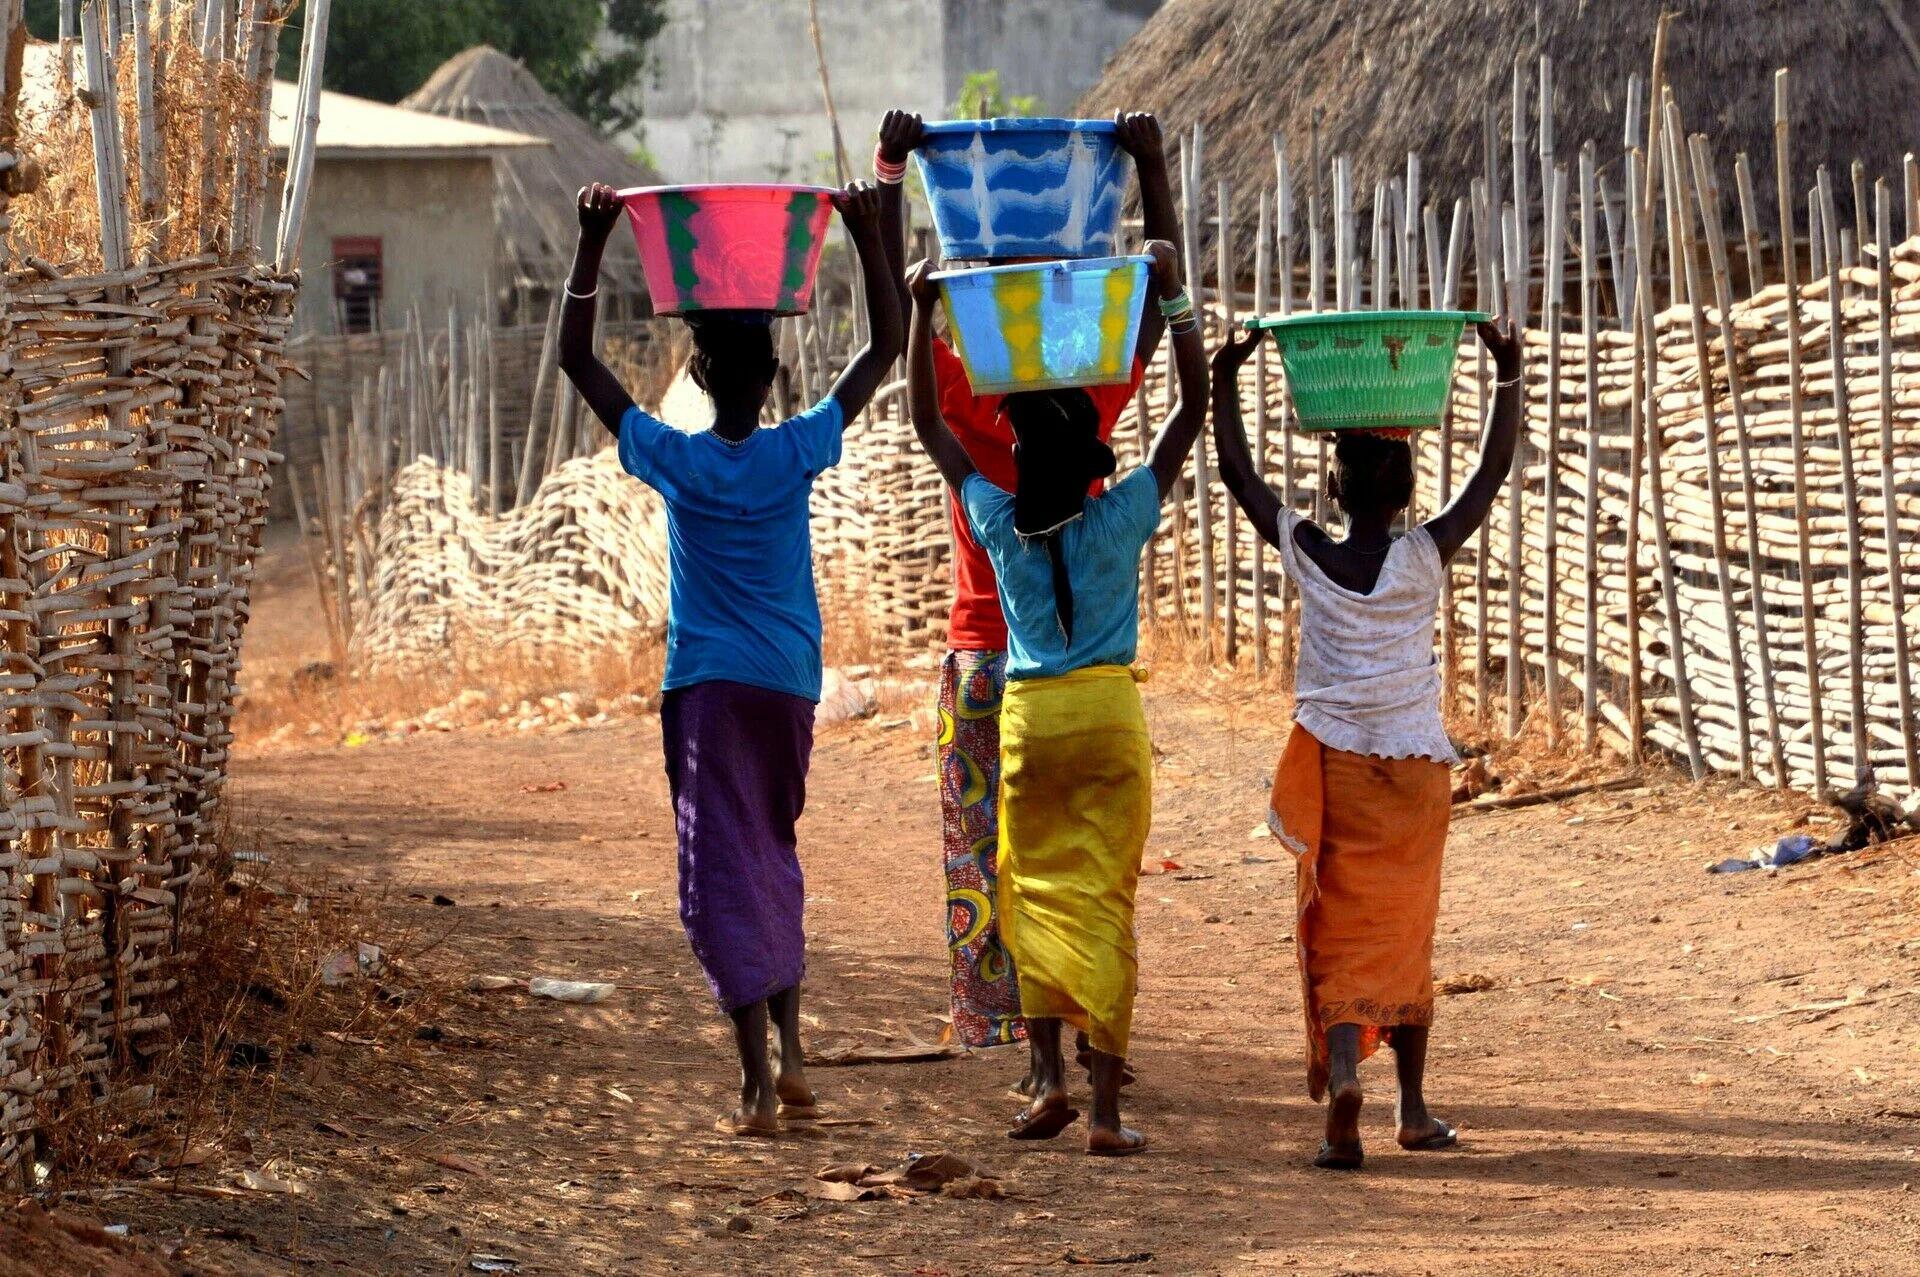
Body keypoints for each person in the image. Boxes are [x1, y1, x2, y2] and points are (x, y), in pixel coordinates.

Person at [559, 181, 903, 1136]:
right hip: (789, 684)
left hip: (709, 688)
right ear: (774, 375)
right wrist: (868, 235)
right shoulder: (799, 450)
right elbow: (886, 346)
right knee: (773, 848)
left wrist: (593, 245)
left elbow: (574, 358)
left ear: (703, 379)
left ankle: (757, 1082)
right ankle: (792, 1048)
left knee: (721, 868)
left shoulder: (679, 460)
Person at [873, 109, 1182, 1072]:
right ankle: (1088, 1027)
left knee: (991, 857)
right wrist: (1150, 167)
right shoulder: (1094, 409)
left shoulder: (965, 413)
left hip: (982, 662)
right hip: (1083, 678)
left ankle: (1016, 1036)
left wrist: (893, 177)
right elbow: (1162, 290)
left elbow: (898, 321)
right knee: (1086, 860)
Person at [905, 238, 1206, 1156]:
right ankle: (1108, 1112)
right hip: (1110, 719)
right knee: (1105, 899)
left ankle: (1046, 1085)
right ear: (1093, 452)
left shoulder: (996, 520)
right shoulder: (1121, 517)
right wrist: (1181, 305)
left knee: (1028, 893)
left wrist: (923, 312)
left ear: (1025, 450)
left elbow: (932, 428)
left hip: (1031, 722)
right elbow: (1193, 409)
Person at [1209, 317, 1523, 1170]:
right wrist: (1505, 371)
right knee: (1406, 934)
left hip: (1336, 764)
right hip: (1417, 772)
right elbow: (1493, 474)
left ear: (1336, 491)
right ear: (1410, 486)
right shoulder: (1427, 553)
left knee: (1337, 928)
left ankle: (1345, 1070)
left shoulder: (1310, 552)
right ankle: (1412, 1107)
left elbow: (1238, 473)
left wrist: (1228, 376)